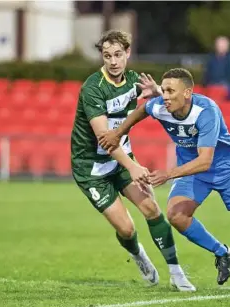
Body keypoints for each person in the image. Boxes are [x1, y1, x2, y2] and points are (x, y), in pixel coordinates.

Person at [98, 68, 230, 294]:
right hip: (194, 173)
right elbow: (143, 109)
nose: (164, 96)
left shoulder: (206, 111)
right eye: (163, 90)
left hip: (228, 170)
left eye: (171, 90)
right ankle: (223, 253)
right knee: (176, 216)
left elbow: (205, 161)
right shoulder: (160, 106)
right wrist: (118, 133)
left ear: (187, 93)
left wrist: (168, 174)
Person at [70, 30, 195, 291]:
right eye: (107, 56)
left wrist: (158, 92)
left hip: (121, 159)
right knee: (126, 230)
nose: (113, 61)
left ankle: (176, 273)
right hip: (91, 168)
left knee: (151, 209)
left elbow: (174, 105)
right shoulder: (93, 88)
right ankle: (138, 254)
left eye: (118, 55)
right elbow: (105, 139)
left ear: (127, 53)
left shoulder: (134, 81)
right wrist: (133, 166)